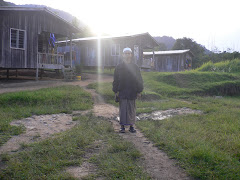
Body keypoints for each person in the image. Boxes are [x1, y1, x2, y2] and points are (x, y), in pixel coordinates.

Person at [112, 47, 143, 133]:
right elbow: (116, 80)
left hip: (132, 90)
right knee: (123, 109)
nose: (127, 55)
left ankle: (131, 126)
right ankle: (122, 126)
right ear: (123, 55)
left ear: (131, 55)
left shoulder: (135, 67)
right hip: (122, 91)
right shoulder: (119, 67)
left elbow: (139, 79)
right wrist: (115, 91)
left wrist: (139, 91)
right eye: (126, 53)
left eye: (129, 53)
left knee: (131, 109)